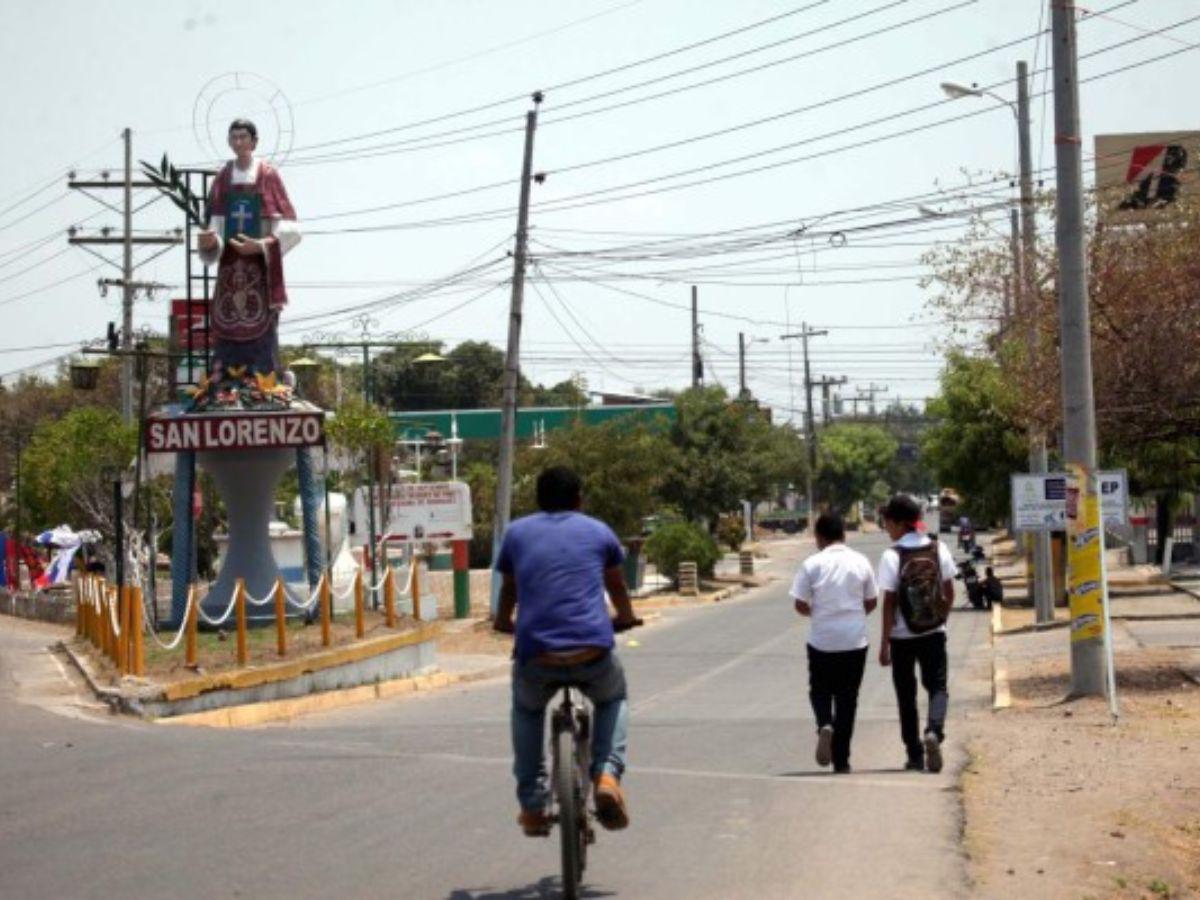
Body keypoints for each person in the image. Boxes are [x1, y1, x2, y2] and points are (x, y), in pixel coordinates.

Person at [493, 466, 641, 837]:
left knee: (527, 710)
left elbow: (508, 590)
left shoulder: (517, 534)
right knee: (613, 699)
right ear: (579, 498)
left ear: (539, 500)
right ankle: (606, 775)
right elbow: (617, 586)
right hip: (591, 651)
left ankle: (531, 805)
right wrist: (625, 617)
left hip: (536, 655)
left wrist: (502, 622)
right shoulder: (598, 531)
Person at [198, 118, 301, 380]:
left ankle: (263, 379)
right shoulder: (222, 178)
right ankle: (224, 382)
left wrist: (262, 245)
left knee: (263, 329)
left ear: (254, 141)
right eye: (233, 137)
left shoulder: (268, 175)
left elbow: (291, 227)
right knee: (227, 324)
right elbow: (215, 226)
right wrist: (211, 242)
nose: (238, 142)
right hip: (230, 271)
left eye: (244, 137)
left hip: (261, 270)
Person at [790, 511, 878, 774]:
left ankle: (825, 723)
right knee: (848, 699)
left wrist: (815, 613)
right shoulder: (861, 562)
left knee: (819, 690)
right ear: (843, 534)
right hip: (854, 640)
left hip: (822, 640)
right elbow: (872, 600)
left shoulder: (812, 564)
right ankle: (842, 760)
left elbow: (799, 603)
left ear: (820, 537)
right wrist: (854, 614)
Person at [877, 494, 957, 773]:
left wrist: (885, 642)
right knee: (937, 687)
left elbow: (888, 602)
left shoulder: (892, 555)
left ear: (899, 523)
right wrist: (939, 620)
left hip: (902, 637)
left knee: (906, 695)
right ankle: (934, 731)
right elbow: (949, 592)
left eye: (887, 521)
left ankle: (914, 754)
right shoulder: (938, 548)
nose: (885, 526)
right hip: (934, 632)